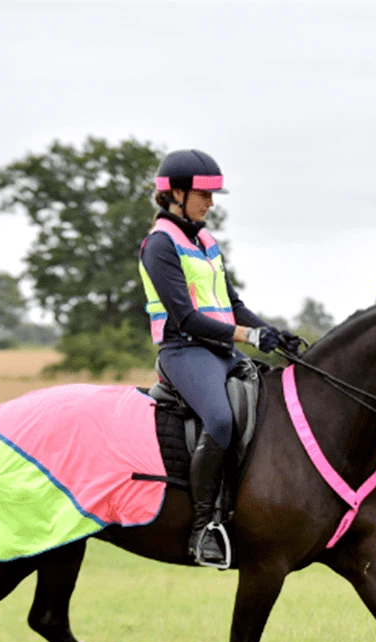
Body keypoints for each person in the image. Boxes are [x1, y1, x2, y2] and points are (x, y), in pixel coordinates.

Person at [138, 149, 292, 568]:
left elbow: (232, 304)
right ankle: (203, 527)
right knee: (220, 421)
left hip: (221, 351)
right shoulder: (159, 245)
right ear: (176, 194)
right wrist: (248, 335)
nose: (211, 203)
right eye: (204, 195)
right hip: (184, 351)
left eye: (213, 195)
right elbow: (185, 315)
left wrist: (275, 336)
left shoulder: (205, 241)